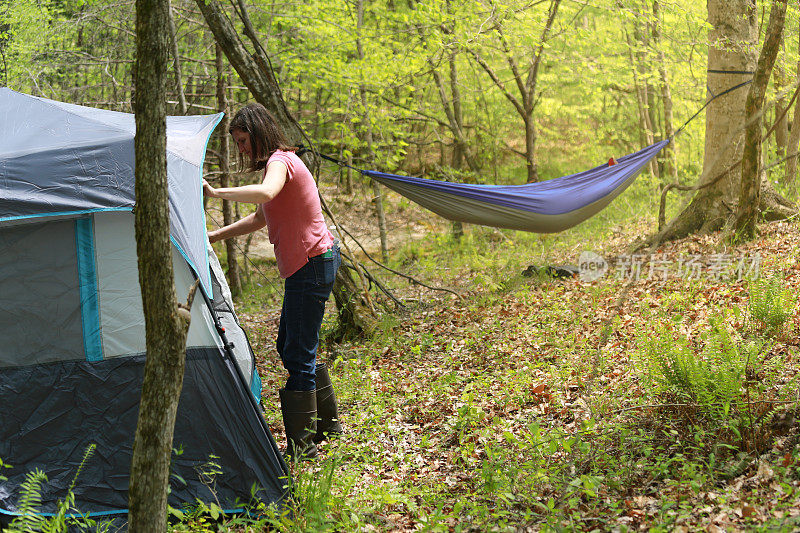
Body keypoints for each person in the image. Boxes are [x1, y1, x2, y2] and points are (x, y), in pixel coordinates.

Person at [203, 103, 342, 459]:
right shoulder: (278, 166)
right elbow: (258, 218)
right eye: (237, 143)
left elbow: (265, 193)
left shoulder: (280, 162)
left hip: (311, 264)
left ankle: (304, 446)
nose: (242, 149)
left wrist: (218, 194)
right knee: (292, 346)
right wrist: (211, 238)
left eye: (244, 140)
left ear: (259, 132)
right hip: (309, 265)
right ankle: (327, 424)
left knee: (297, 351)